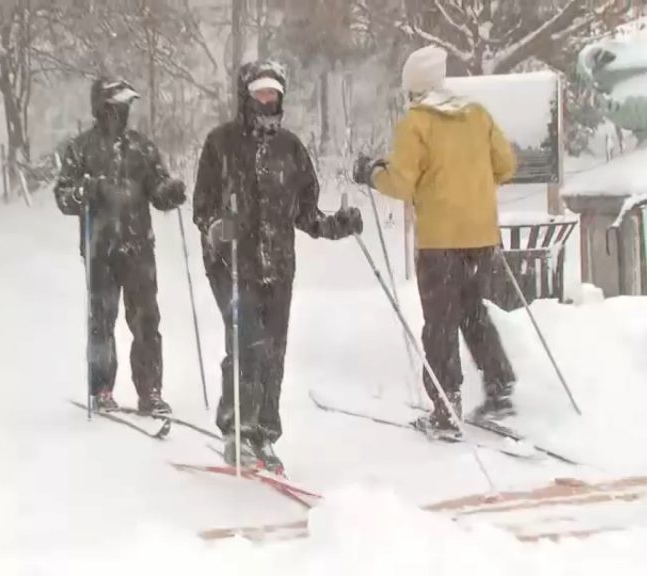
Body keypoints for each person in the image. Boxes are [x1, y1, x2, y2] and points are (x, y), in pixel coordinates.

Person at [193, 60, 364, 472]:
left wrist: (337, 225)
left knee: (272, 351)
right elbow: (202, 207)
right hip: (232, 265)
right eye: (260, 93)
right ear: (246, 96)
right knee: (246, 344)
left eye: (273, 93)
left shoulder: (291, 148)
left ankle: (264, 434)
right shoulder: (221, 143)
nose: (268, 100)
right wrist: (218, 227)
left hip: (278, 268)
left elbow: (305, 214)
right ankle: (238, 430)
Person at [353, 45, 518, 437]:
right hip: (481, 237)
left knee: (440, 321)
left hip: (440, 241)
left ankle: (446, 407)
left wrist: (371, 174)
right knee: (473, 311)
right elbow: (507, 166)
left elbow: (401, 182)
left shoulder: (417, 123)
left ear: (412, 88)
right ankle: (500, 389)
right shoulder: (476, 114)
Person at [51, 77, 186, 416]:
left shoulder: (142, 147)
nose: (121, 113)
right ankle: (101, 388)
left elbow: (157, 188)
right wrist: (85, 192)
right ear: (100, 108)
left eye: (125, 107)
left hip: (139, 247)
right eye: (115, 106)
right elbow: (63, 196)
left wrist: (169, 192)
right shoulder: (80, 149)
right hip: (100, 249)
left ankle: (150, 391)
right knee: (102, 322)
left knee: (146, 322)